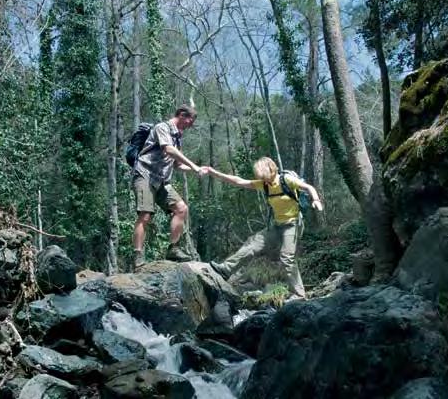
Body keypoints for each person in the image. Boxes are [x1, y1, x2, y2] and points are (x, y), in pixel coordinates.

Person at [206, 157, 323, 300]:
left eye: (264, 177)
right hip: (277, 225)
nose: (263, 181)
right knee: (253, 244)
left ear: (271, 170)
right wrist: (214, 173)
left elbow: (308, 187)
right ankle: (226, 269)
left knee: (287, 257)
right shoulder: (265, 184)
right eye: (261, 178)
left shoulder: (286, 180)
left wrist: (316, 200)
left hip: (292, 225)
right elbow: (239, 181)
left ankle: (299, 294)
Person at [132, 105, 209, 271]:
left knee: (181, 209)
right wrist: (194, 166)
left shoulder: (177, 137)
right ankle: (138, 256)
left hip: (162, 181)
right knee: (145, 216)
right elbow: (168, 149)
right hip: (145, 175)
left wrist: (199, 170)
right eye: (189, 120)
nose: (189, 125)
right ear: (181, 115)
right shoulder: (162, 127)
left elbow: (177, 165)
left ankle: (173, 249)